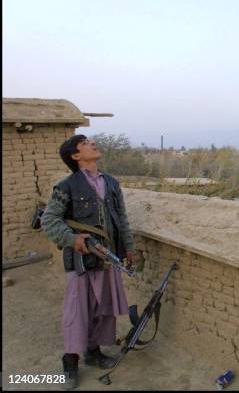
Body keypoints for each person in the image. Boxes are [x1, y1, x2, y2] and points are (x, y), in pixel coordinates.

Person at [41, 134, 135, 389]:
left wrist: (128, 248)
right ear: (75, 155)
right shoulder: (66, 186)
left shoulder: (112, 183)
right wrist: (73, 240)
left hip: (108, 259)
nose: (92, 143)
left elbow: (122, 219)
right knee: (77, 311)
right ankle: (70, 360)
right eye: (85, 143)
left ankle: (92, 353)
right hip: (82, 261)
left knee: (102, 308)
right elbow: (49, 221)